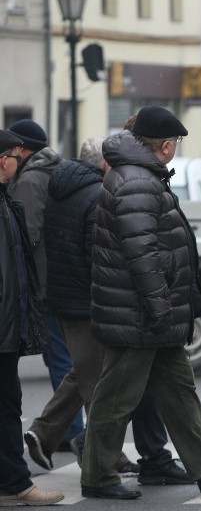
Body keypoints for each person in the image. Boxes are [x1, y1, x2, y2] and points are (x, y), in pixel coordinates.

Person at [80, 106, 201, 499]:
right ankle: (97, 475)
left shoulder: (137, 176)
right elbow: (142, 255)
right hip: (140, 314)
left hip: (147, 313)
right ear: (165, 146)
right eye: (176, 142)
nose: (176, 148)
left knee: (180, 393)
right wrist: (160, 309)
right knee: (116, 398)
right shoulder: (137, 183)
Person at [24, 136, 190, 485]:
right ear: (105, 165)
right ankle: (94, 455)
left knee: (89, 373)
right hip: (92, 301)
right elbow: (98, 256)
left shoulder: (63, 190)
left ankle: (62, 439)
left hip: (64, 295)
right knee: (104, 382)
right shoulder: (97, 195)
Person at [7, 119, 84, 452]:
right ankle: (73, 428)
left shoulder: (29, 180)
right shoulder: (59, 170)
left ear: (24, 150)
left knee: (59, 356)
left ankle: (69, 429)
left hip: (44, 283)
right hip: (66, 277)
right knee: (70, 354)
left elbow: (25, 233)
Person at [0, 129, 64, 506]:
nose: (15, 163)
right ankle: (16, 483)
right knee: (7, 404)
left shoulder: (7, 199)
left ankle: (12, 483)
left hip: (8, 325)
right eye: (12, 156)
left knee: (9, 402)